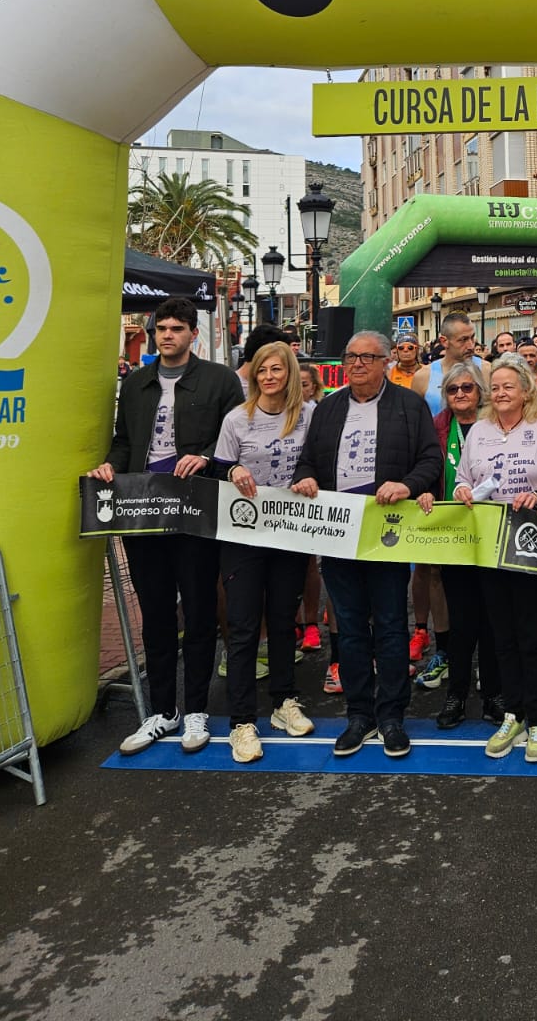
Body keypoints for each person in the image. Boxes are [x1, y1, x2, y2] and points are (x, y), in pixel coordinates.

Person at [87, 296, 243, 755]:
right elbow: (124, 441)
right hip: (142, 507)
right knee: (153, 612)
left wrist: (209, 456)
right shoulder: (135, 383)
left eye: (176, 328)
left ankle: (195, 709)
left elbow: (237, 434)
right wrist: (108, 469)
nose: (167, 336)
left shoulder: (219, 380)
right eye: (160, 329)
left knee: (197, 610)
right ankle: (162, 711)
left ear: (194, 333)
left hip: (195, 507)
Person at [291, 329, 443, 758]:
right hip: (338, 533)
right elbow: (308, 459)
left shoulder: (409, 405)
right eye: (350, 357)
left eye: (367, 357)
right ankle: (359, 715)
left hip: (387, 532)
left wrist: (407, 484)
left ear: (385, 362)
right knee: (351, 629)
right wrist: (305, 477)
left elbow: (430, 460)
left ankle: (392, 715)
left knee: (392, 626)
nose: (357, 364)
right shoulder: (328, 408)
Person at [453, 355, 537, 763]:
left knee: (530, 634)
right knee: (501, 634)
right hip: (488, 538)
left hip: (529, 539)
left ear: (525, 391)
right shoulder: (478, 431)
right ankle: (513, 713)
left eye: (508, 387)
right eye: (494, 387)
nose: (500, 393)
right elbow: (465, 476)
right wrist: (463, 489)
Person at [213, 342, 316, 762]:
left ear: (290, 373)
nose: (269, 377)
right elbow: (217, 465)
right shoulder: (238, 418)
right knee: (242, 624)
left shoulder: (309, 415)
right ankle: (241, 721)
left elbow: (317, 458)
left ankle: (283, 702)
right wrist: (233, 468)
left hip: (290, 528)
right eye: (262, 371)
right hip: (243, 532)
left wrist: (308, 476)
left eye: (277, 370)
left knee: (281, 619)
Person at [413, 362, 502, 728]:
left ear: (480, 391)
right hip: (453, 531)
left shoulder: (496, 425)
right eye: (453, 390)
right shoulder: (436, 428)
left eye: (468, 388)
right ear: (445, 396)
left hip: (493, 529)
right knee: (462, 618)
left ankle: (494, 693)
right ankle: (456, 694)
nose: (461, 394)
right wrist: (422, 490)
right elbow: (424, 467)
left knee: (492, 617)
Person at [411, 312, 490, 415]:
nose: (471, 346)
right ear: (444, 341)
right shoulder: (423, 376)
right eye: (463, 340)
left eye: (472, 337)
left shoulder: (487, 370)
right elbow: (413, 419)